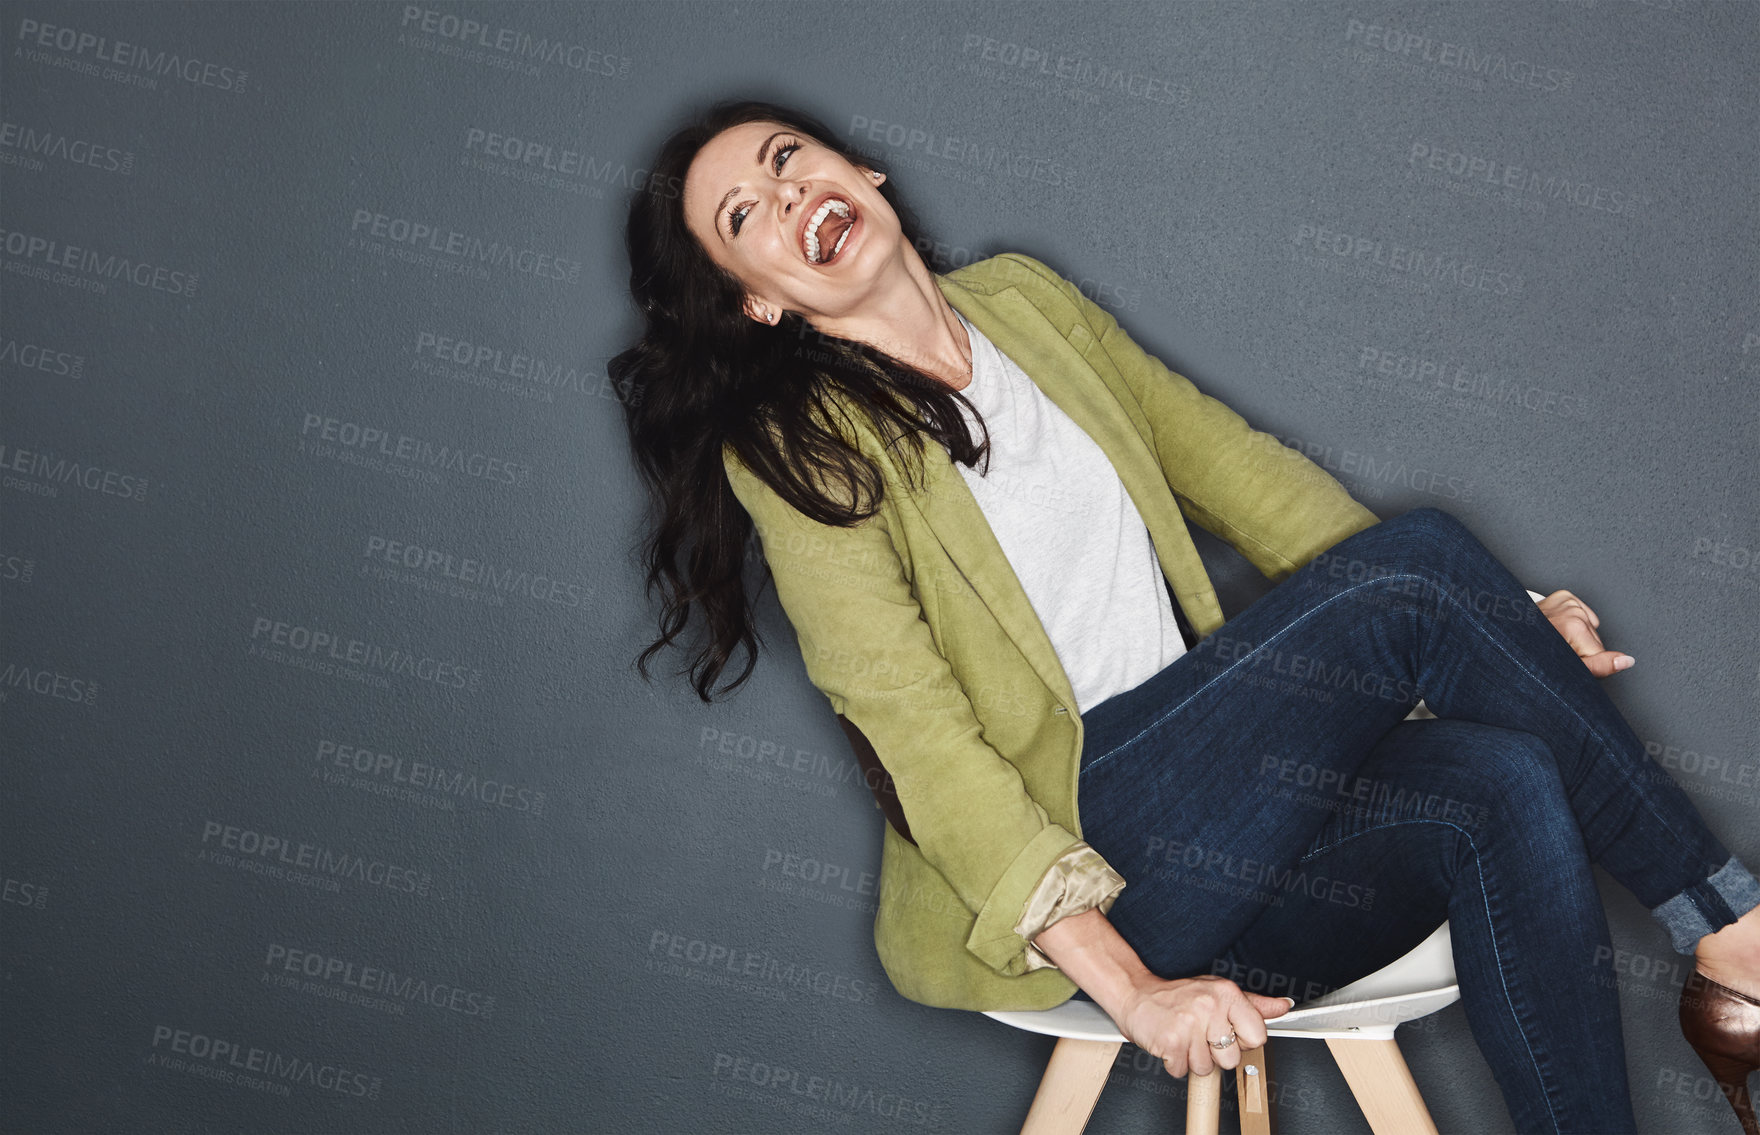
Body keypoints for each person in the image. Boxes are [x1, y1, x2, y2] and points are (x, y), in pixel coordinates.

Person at [610, 97, 1760, 1135]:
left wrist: (1498, 634)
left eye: (787, 158)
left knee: (1504, 775)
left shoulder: (1022, 302)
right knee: (1411, 566)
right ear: (754, 299)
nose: (787, 195)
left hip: (1227, 846)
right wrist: (1129, 987)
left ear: (858, 168)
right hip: (1095, 858)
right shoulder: (794, 451)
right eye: (743, 215)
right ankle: (1730, 932)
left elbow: (1245, 475)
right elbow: (914, 733)